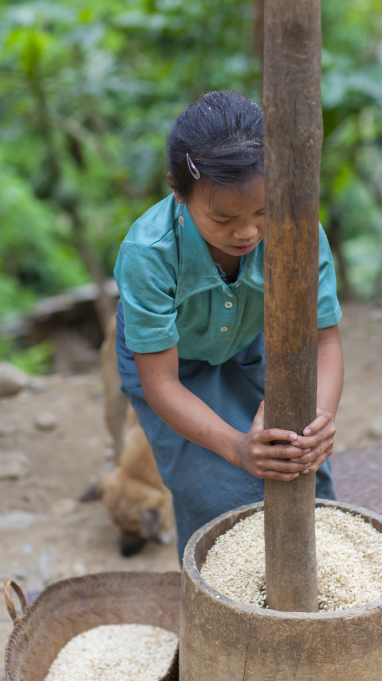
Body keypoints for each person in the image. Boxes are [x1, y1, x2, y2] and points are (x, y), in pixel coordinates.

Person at [114, 89, 344, 561]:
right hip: (172, 366)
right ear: (178, 189)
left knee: (301, 476)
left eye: (263, 213)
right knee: (215, 496)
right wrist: (238, 447)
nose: (247, 233)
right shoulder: (149, 255)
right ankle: (223, 619)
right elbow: (161, 381)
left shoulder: (299, 232)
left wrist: (318, 421)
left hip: (252, 342)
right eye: (222, 218)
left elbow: (324, 342)